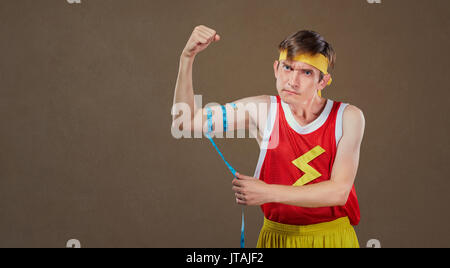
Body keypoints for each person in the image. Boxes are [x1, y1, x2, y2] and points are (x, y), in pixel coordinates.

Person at [172, 25, 365, 248]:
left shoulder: (348, 117)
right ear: (276, 68)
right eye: (287, 68)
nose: (293, 81)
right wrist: (187, 57)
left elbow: (338, 192)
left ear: (323, 81)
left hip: (333, 239)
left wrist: (266, 191)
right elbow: (185, 122)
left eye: (307, 72)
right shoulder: (262, 111)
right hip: (277, 238)